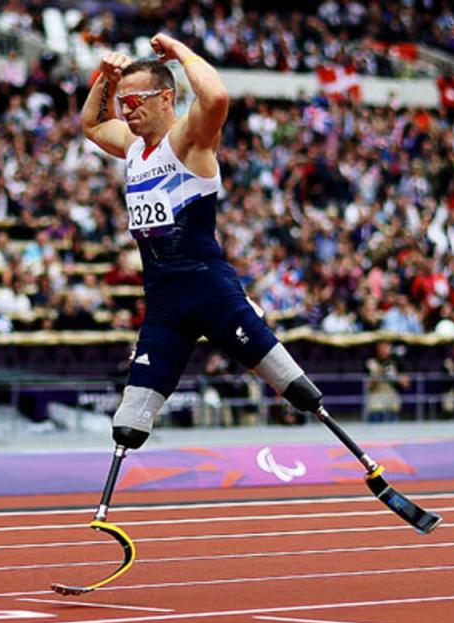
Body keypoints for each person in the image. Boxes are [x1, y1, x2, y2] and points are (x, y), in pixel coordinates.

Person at [80, 33, 326, 451]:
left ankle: (365, 461)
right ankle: (107, 504)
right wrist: (106, 78)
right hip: (163, 302)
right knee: (129, 420)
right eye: (123, 103)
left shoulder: (187, 141)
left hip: (210, 291)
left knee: (294, 386)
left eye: (135, 101)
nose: (126, 110)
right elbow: (92, 124)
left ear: (165, 98)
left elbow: (215, 97)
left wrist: (179, 52)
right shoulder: (133, 147)